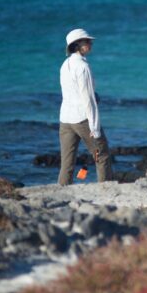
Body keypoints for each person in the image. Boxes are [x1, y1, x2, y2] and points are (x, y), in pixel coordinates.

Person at [58, 28, 113, 185]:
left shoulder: (65, 64)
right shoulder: (83, 67)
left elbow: (71, 92)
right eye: (87, 41)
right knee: (100, 156)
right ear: (77, 45)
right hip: (83, 121)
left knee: (67, 162)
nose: (91, 43)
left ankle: (62, 192)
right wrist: (94, 128)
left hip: (65, 120)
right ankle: (105, 190)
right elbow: (88, 100)